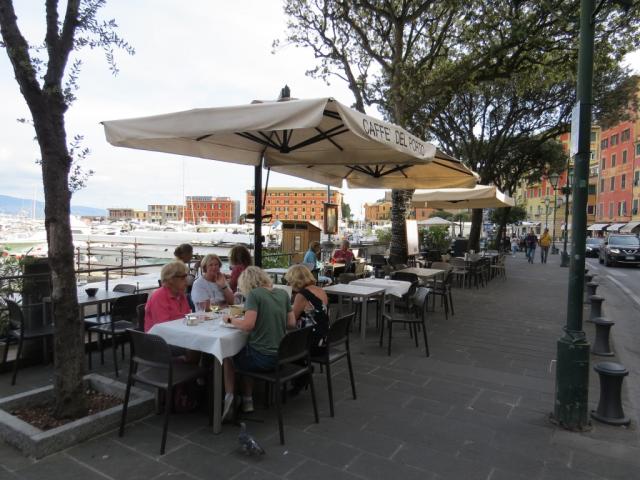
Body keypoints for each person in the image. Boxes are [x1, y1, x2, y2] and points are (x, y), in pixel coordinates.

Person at [222, 266, 296, 418]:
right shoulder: (282, 294)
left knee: (227, 354)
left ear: (246, 283)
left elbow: (248, 325)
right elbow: (291, 324)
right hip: (282, 357)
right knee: (247, 349)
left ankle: (229, 396)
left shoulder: (254, 295)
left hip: (263, 359)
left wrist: (230, 319)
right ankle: (247, 400)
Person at [285, 264, 329, 355]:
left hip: (311, 344)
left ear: (295, 281)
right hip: (324, 339)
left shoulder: (302, 295)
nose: (288, 284)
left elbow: (291, 322)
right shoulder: (320, 290)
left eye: (289, 281)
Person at [144, 261, 191, 332]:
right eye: (183, 278)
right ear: (171, 279)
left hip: (180, 333)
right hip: (159, 339)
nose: (187, 282)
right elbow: (164, 327)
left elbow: (187, 317)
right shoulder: (159, 296)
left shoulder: (180, 295)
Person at [174, 243, 198, 311]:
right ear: (186, 254)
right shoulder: (181, 266)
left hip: (179, 293)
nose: (192, 255)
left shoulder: (176, 263)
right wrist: (195, 268)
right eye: (191, 252)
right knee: (196, 301)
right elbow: (189, 282)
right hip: (180, 295)